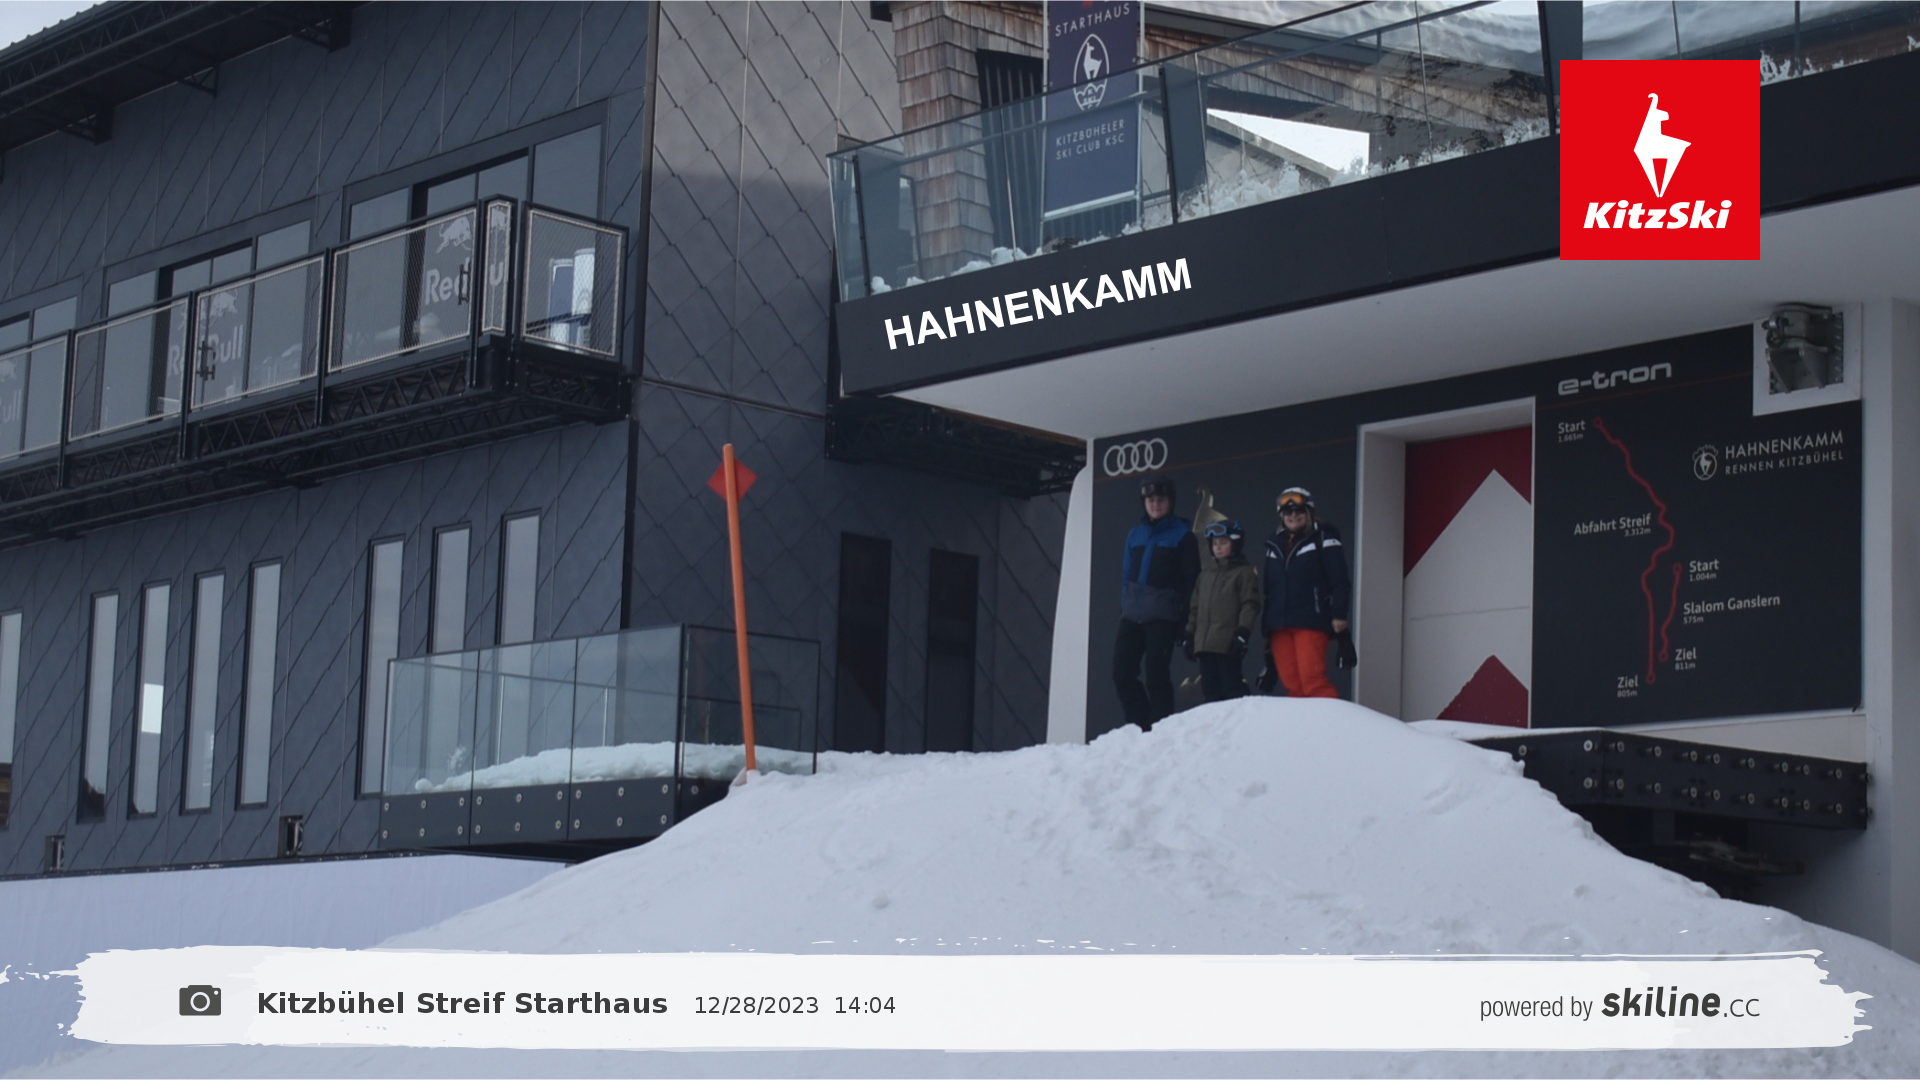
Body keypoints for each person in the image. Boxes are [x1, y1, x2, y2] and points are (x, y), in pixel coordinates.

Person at [1114, 475, 1200, 730]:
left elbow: (1191, 581)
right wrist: (1125, 605)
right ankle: (1141, 728)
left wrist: (1186, 621)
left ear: (1171, 502)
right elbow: (1126, 575)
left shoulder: (1183, 536)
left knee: (1157, 675)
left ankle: (1160, 731)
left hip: (1163, 616)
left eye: (1161, 499)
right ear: (1144, 503)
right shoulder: (1135, 534)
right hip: (1132, 615)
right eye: (1150, 500)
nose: (1155, 504)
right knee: (1121, 673)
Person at [1258, 486, 1351, 699]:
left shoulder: (1324, 539)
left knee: (1313, 681)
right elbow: (1269, 590)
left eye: (1299, 510)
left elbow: (1340, 581)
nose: (1293, 516)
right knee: (1292, 685)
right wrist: (1267, 629)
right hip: (1279, 625)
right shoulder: (1273, 544)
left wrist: (1339, 615)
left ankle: (1330, 720)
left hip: (1311, 621)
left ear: (1309, 512)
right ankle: (1299, 722)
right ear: (1281, 515)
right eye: (1287, 512)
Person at [1183, 520, 1260, 702]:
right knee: (1210, 689)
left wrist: (1242, 634)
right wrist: (1189, 634)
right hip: (1204, 645)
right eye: (1214, 543)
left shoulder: (1244, 573)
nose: (1218, 547)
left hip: (1227, 644)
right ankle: (1217, 721)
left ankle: (1247, 716)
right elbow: (1195, 608)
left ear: (1236, 544)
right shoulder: (1205, 575)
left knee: (1231, 687)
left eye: (1223, 542)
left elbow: (1249, 605)